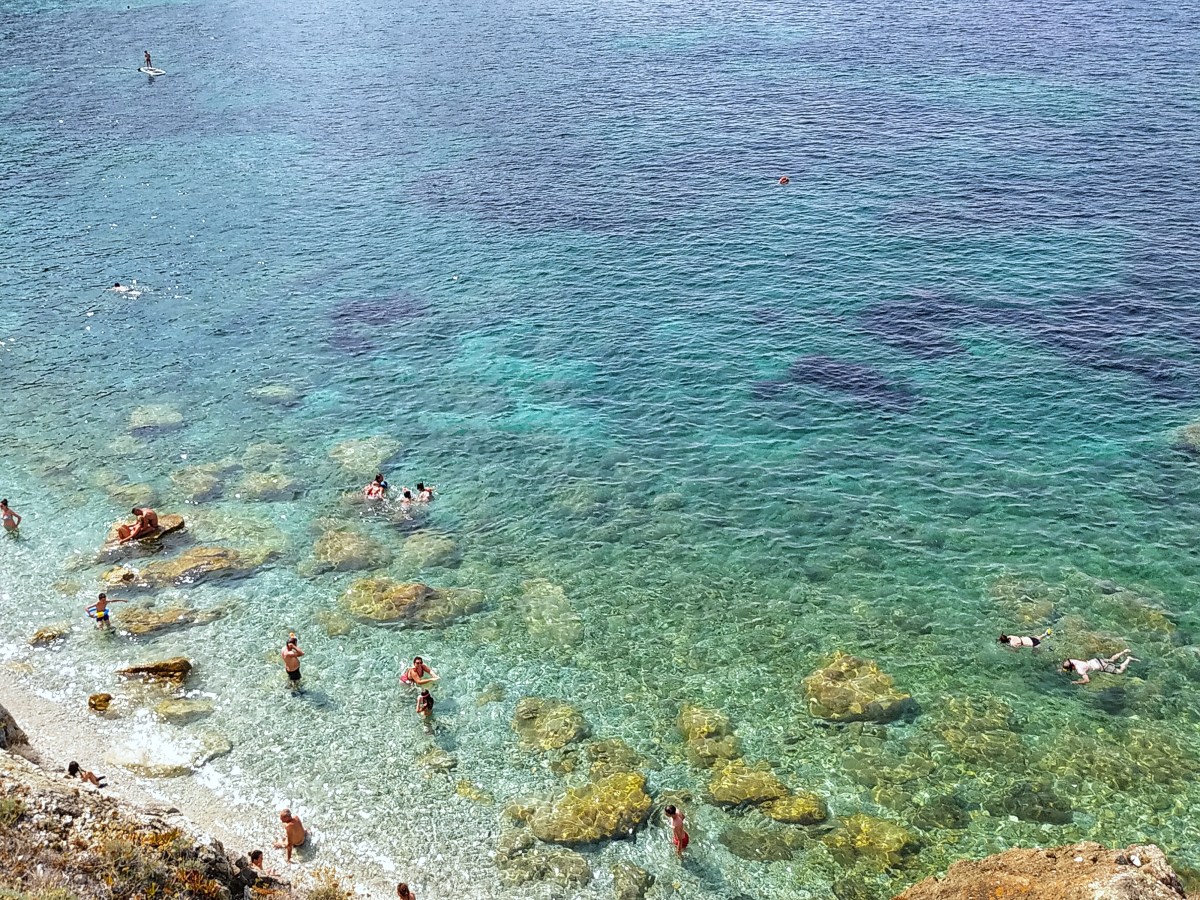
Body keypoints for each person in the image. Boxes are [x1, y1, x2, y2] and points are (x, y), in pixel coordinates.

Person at [1062, 649, 1138, 685]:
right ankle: (1124, 652)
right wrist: (1062, 669)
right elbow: (1067, 663)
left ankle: (1128, 659)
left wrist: (1076, 682)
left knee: (1119, 671)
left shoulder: (1080, 670)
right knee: (1111, 660)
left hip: (1101, 666)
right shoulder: (1073, 661)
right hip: (1095, 660)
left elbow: (1087, 680)